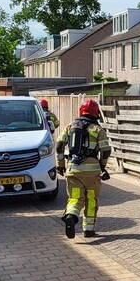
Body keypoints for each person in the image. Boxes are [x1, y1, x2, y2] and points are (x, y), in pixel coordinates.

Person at [56, 99, 110, 239]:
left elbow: (59, 146)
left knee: (75, 198)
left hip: (73, 171)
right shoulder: (97, 129)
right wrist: (102, 166)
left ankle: (71, 216)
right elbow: (105, 150)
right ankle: (89, 230)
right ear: (96, 112)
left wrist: (60, 165)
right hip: (92, 174)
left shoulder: (70, 126)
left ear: (81, 111)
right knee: (91, 199)